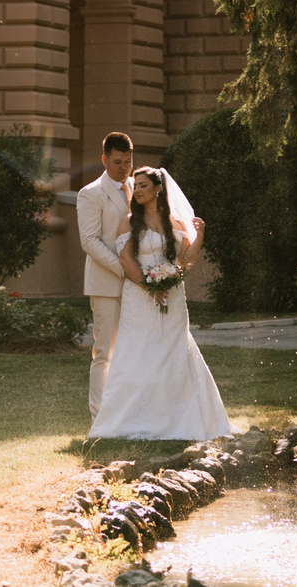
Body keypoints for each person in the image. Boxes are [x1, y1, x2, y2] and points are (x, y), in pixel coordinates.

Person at [89, 166, 233, 441]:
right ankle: (130, 418)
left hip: (173, 297)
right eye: (136, 186)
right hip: (139, 296)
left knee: (174, 349)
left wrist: (199, 235)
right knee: (138, 351)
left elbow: (185, 261)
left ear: (158, 189)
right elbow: (126, 259)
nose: (138, 190)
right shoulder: (129, 221)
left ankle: (180, 417)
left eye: (143, 185)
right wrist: (148, 287)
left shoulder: (174, 222)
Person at [77, 132, 137, 419]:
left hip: (139, 285)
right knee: (105, 353)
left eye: (128, 161)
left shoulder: (140, 188)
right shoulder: (90, 193)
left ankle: (129, 412)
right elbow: (89, 241)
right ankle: (99, 417)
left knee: (135, 351)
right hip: (106, 284)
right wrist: (124, 268)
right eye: (117, 162)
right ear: (104, 160)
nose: (124, 168)